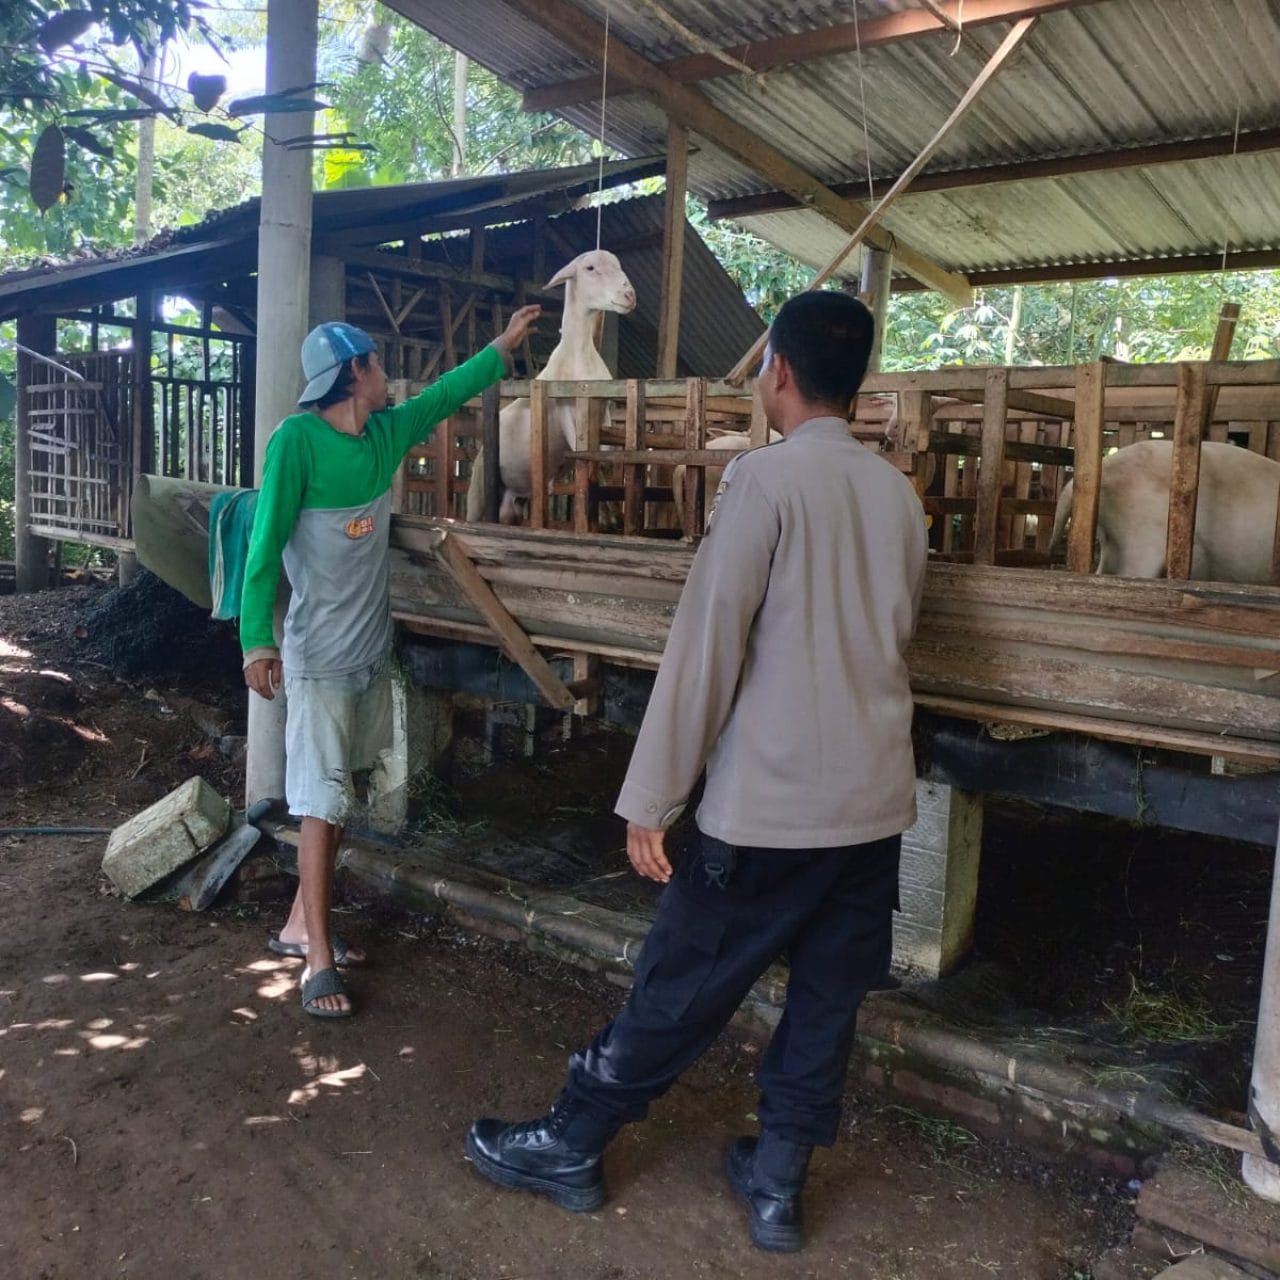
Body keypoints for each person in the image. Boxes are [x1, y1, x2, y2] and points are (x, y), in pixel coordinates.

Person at [465, 291, 927, 1252]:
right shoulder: (900, 496)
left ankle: (573, 1139)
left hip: (771, 807)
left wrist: (652, 796)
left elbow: (706, 648)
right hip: (874, 807)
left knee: (680, 982)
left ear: (781, 375)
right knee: (825, 1002)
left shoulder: (763, 482)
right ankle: (777, 1183)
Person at [241, 307, 541, 1019]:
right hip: (316, 661)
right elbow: (262, 550)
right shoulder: (297, 443)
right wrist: (258, 638)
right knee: (317, 804)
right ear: (354, 373)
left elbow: (441, 396)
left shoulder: (383, 433)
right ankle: (317, 961)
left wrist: (499, 348)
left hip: (371, 653)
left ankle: (296, 925)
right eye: (376, 364)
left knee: (338, 799)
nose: (386, 376)